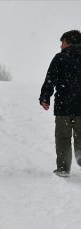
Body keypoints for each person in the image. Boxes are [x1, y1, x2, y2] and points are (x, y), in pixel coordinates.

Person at [39, 30, 81, 177]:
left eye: (62, 42)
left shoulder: (60, 58)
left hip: (64, 106)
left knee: (63, 137)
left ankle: (63, 168)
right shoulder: (60, 57)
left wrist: (45, 97)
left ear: (69, 42)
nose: (61, 45)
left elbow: (51, 79)